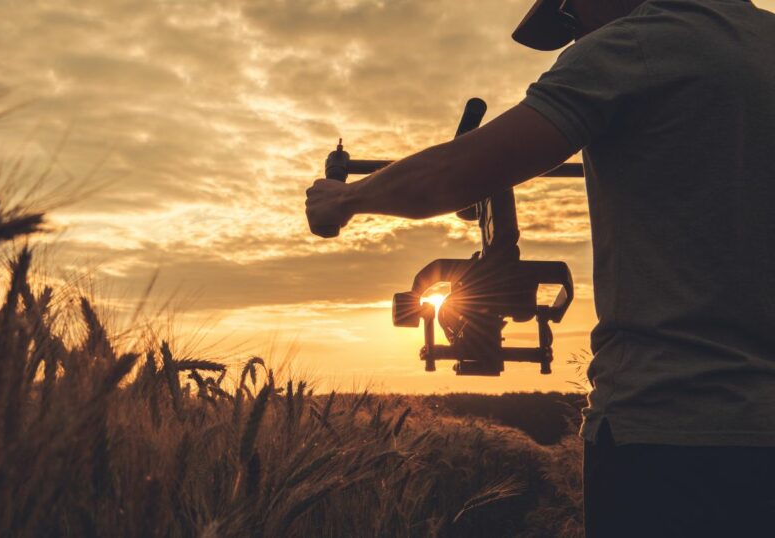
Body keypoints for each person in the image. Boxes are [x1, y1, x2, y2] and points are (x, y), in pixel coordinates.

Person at [304, 0, 775, 535]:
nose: (577, 40)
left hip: (670, 437)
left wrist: (345, 200)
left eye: (572, 18)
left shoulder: (636, 46)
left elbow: (455, 174)